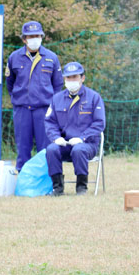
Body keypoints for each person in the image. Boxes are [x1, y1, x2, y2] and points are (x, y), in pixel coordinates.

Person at [5, 20, 63, 172]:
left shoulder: (51, 58)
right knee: (23, 146)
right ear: (24, 39)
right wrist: (19, 99)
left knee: (45, 148)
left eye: (37, 35)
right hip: (22, 109)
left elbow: (58, 85)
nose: (34, 39)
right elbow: (10, 83)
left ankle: (44, 178)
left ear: (42, 37)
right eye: (30, 36)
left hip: (44, 109)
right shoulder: (14, 57)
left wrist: (52, 106)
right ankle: (23, 180)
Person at [44, 61, 106, 196]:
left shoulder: (94, 97)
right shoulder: (57, 99)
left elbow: (99, 123)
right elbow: (50, 122)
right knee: (51, 149)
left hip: (87, 144)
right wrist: (56, 138)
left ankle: (81, 188)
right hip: (65, 143)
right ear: (64, 79)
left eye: (75, 77)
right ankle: (57, 188)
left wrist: (82, 137)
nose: (71, 80)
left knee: (79, 150)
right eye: (68, 78)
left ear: (82, 78)